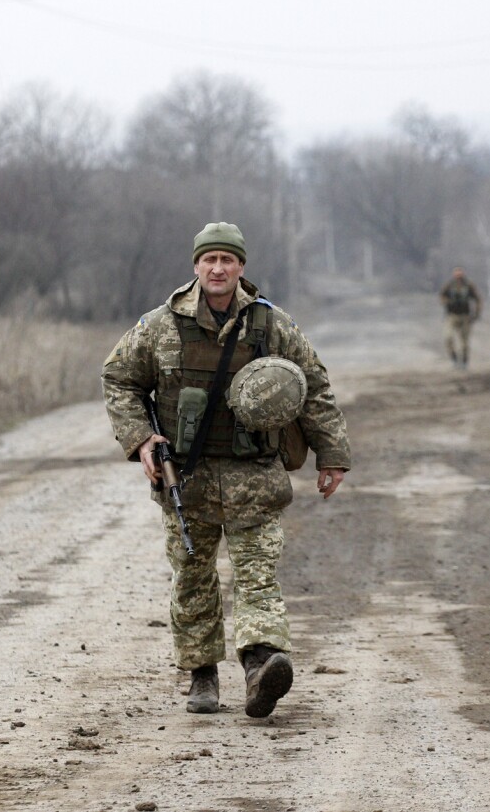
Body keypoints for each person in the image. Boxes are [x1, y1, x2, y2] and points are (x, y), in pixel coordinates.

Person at [101, 221, 351, 719]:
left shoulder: (270, 325)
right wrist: (140, 439)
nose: (218, 268)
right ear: (196, 266)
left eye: (228, 260)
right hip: (185, 479)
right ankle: (201, 675)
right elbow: (119, 379)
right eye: (209, 259)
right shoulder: (159, 326)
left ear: (241, 267)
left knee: (257, 576)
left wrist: (332, 453)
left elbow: (314, 386)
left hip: (254, 475)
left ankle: (260, 666)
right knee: (193, 575)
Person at [439, 266, 481, 369]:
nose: (458, 274)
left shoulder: (468, 285)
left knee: (464, 342)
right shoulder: (449, 285)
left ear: (462, 273)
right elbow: (441, 296)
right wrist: (447, 302)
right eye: (456, 272)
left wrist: (476, 313)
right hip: (451, 315)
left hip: (465, 316)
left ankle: (464, 362)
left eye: (460, 272)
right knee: (448, 337)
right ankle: (454, 359)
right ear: (454, 273)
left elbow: (478, 299)